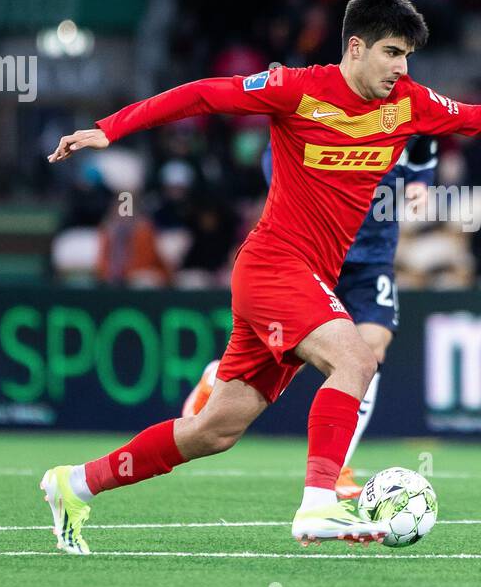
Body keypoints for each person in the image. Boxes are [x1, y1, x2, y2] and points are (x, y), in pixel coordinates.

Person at [41, 0, 481, 552]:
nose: (402, 67)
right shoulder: (296, 89)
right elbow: (203, 96)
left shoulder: (409, 103)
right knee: (356, 357)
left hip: (307, 275)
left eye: (408, 56)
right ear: (356, 47)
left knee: (212, 431)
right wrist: (110, 128)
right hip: (273, 264)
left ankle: (72, 484)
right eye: (392, 52)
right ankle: (319, 502)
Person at [182, 134, 438, 501]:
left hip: (373, 257)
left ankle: (336, 470)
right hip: (314, 252)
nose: (395, 74)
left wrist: (418, 185)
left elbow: (424, 155)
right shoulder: (322, 106)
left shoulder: (411, 108)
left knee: (372, 350)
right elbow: (276, 157)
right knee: (299, 356)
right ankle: (218, 376)